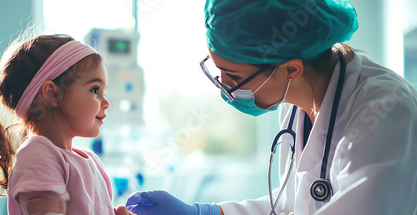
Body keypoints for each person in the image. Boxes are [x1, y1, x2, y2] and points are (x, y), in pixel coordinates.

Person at [126, 0, 417, 214]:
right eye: (219, 71)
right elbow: (293, 202)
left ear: (291, 69)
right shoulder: (293, 105)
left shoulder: (385, 111)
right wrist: (208, 212)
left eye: (236, 77)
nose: (225, 87)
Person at [0, 34, 135, 215]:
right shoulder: (37, 155)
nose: (106, 103)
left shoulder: (91, 162)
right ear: (52, 94)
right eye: (95, 90)